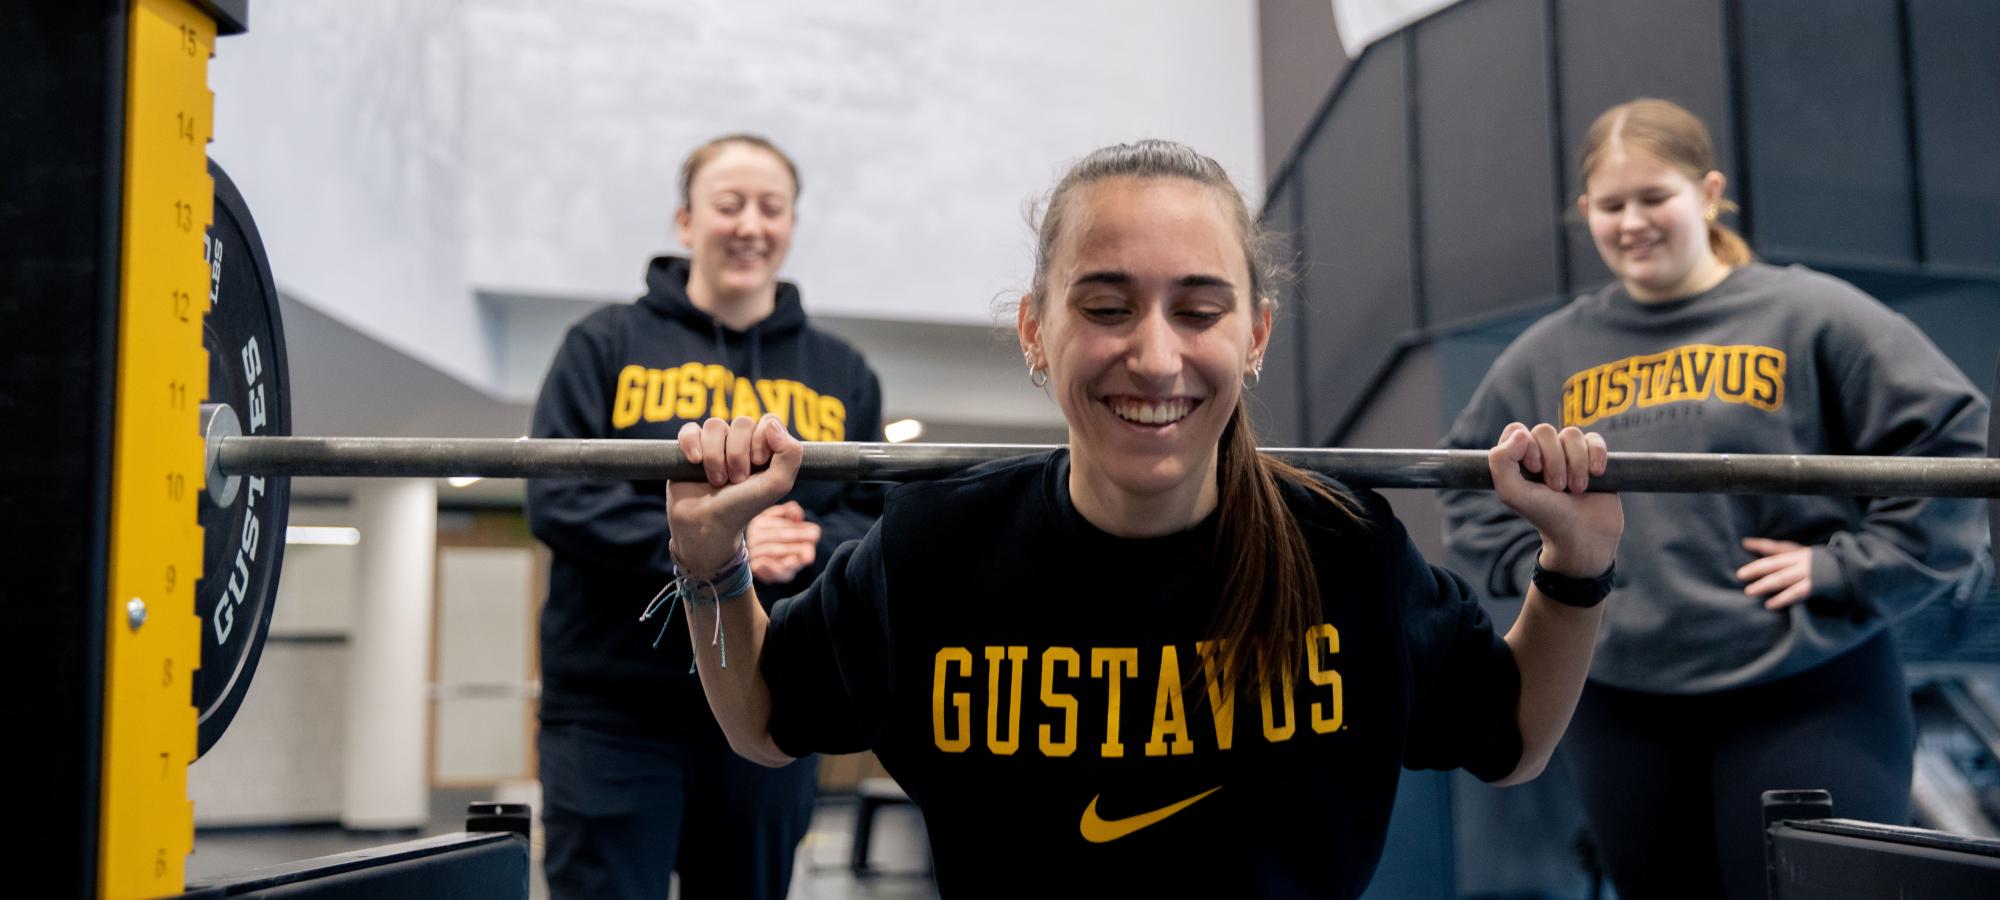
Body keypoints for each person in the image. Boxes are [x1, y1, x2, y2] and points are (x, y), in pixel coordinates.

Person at [658, 139, 1623, 897]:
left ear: (1256, 336)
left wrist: (1575, 570)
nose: (1156, 358)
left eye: (1199, 311)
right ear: (1037, 328)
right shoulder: (934, 549)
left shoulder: (1346, 548)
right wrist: (712, 564)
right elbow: (766, 718)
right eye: (1109, 307)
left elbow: (1511, 737)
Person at [1440, 98, 1991, 900]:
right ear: (1586, 212)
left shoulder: (1808, 314)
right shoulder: (1549, 353)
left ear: (1707, 193)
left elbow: (1949, 437)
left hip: (1807, 690)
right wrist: (1565, 577)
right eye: (1610, 204)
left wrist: (1851, 567)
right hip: (1625, 707)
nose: (1633, 221)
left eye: (1653, 197)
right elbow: (1463, 479)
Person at [525, 133, 884, 899]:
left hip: (774, 699)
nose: (750, 225)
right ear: (686, 222)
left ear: (790, 225)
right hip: (613, 713)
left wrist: (806, 544)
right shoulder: (603, 345)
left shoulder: (842, 373)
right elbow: (559, 498)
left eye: (771, 207)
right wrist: (719, 547)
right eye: (729, 205)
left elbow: (870, 520)